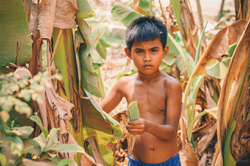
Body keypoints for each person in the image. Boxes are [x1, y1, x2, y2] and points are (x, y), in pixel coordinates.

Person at [100, 16, 182, 166]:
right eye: (139, 51)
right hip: (137, 162)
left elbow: (171, 132)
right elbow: (99, 113)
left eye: (154, 50)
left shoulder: (171, 85)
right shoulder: (124, 84)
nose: (147, 58)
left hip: (168, 162)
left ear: (164, 52)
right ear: (128, 53)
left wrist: (148, 126)